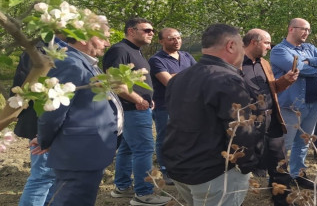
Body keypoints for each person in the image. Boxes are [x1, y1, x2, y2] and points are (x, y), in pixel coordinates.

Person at [163, 24, 260, 206]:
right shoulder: (227, 80)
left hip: (180, 165)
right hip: (214, 172)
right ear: (231, 46)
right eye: (241, 46)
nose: (244, 52)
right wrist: (247, 165)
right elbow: (240, 129)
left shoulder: (180, 78)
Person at [36, 35, 122, 205]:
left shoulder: (87, 62)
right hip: (80, 153)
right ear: (82, 38)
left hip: (88, 150)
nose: (107, 43)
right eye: (103, 38)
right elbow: (53, 111)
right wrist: (45, 140)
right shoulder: (70, 63)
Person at [104, 17, 169, 205]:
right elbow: (115, 82)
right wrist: (139, 99)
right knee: (144, 149)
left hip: (139, 107)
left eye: (152, 30)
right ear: (131, 31)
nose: (151, 33)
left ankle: (122, 187)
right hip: (131, 109)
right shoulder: (119, 50)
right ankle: (144, 194)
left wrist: (148, 99)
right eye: (147, 30)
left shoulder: (135, 51)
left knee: (127, 149)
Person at [269, 18, 317, 189]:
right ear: (291, 29)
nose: (306, 32)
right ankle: (278, 180)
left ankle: (297, 175)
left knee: (303, 142)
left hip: (313, 104)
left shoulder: (309, 48)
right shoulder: (279, 50)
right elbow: (297, 69)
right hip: (291, 105)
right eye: (303, 29)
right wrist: (314, 67)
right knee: (285, 145)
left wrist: (310, 61)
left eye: (308, 30)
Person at [242, 29, 299, 205]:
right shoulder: (235, 65)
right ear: (254, 42)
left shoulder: (264, 64)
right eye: (267, 43)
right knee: (242, 163)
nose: (269, 46)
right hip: (248, 125)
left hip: (271, 120)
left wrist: (286, 80)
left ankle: (282, 198)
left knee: (279, 162)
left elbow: (272, 89)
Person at [148, 28, 197, 185]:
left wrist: (177, 75)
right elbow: (169, 83)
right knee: (165, 138)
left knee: (185, 137)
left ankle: (183, 166)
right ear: (161, 41)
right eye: (171, 39)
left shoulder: (187, 56)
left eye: (178, 37)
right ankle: (166, 170)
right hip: (165, 106)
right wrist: (188, 75)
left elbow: (199, 75)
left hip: (187, 105)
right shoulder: (156, 60)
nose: (176, 41)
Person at [13, 43, 56, 206]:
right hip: (41, 120)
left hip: (57, 123)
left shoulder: (66, 52)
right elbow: (20, 89)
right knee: (43, 175)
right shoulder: (39, 53)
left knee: (54, 176)